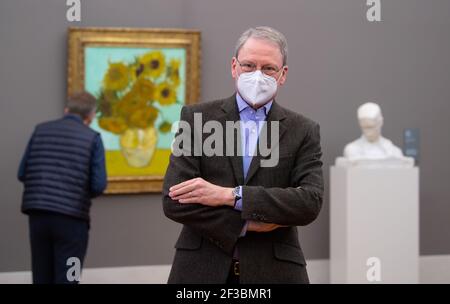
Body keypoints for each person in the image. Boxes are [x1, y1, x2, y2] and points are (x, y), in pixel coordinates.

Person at [163, 26, 324, 284]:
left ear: (283, 75)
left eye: (269, 68)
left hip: (275, 272)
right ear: (234, 67)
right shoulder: (196, 118)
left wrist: (230, 196)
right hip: (201, 270)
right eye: (249, 65)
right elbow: (174, 198)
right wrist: (246, 223)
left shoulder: (303, 130)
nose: (257, 75)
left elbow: (309, 201)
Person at [17, 91, 107, 284]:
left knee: (41, 277)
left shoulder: (40, 130)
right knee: (69, 277)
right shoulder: (93, 138)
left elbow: (22, 173)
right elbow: (98, 184)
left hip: (38, 215)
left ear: (66, 110)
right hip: (72, 220)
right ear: (90, 116)